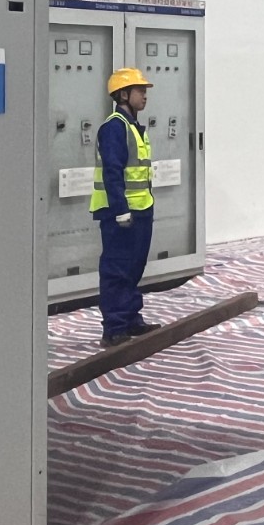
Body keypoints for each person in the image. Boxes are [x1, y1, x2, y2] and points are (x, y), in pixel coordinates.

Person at [90, 67, 162, 347]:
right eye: (139, 90)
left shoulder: (133, 128)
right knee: (117, 269)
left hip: (140, 210)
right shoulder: (114, 127)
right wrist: (120, 210)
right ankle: (114, 328)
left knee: (134, 267)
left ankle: (131, 318)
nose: (145, 95)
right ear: (123, 94)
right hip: (120, 213)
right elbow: (112, 171)